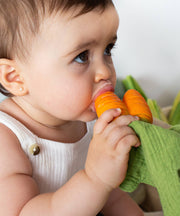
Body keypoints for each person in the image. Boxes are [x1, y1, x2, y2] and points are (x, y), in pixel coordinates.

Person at [0, 0, 144, 215]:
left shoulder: (91, 120)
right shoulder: (7, 139)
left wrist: (106, 180)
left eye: (108, 49)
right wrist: (95, 179)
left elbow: (113, 197)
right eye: (82, 56)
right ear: (16, 78)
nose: (104, 72)